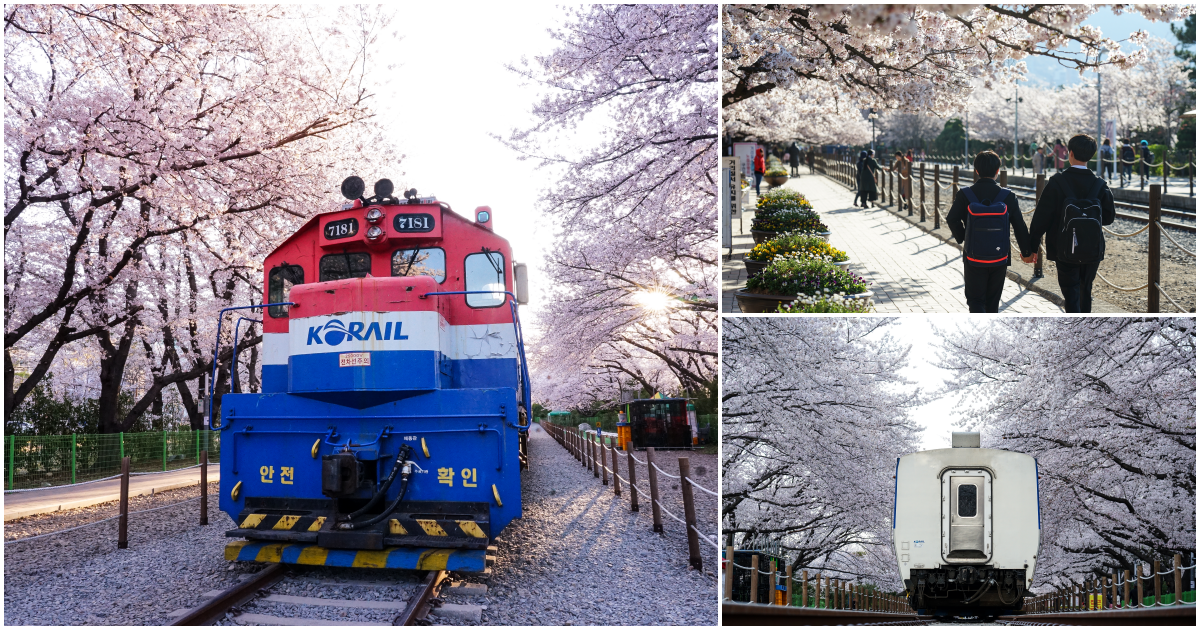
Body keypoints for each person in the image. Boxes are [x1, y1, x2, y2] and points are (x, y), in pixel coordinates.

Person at [1028, 134, 1116, 313]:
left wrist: (1031, 247)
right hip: (1092, 248)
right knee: (1086, 289)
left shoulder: (1057, 182)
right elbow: (1109, 217)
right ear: (1091, 156)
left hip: (1063, 248)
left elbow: (1041, 218)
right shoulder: (1099, 184)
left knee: (1071, 293)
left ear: (1070, 153)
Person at [946, 150, 1035, 313]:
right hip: (999, 257)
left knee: (975, 300)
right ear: (997, 171)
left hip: (973, 256)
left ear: (976, 171)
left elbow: (951, 219)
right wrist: (1027, 252)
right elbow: (1019, 226)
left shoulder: (965, 194)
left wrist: (963, 238)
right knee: (992, 302)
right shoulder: (1008, 196)